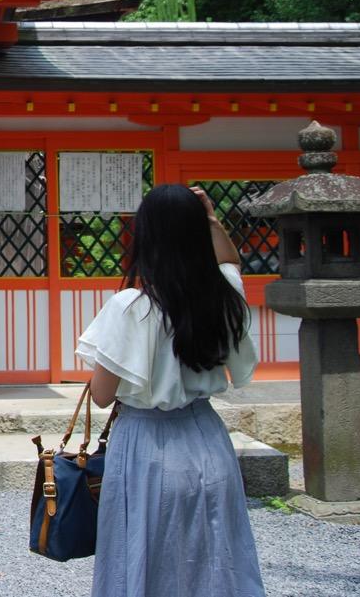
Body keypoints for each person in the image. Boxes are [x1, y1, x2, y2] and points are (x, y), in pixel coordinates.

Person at [76, 184, 264, 597]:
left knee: (142, 556)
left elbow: (103, 395)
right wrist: (211, 219)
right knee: (216, 558)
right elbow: (230, 261)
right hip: (208, 440)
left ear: (148, 238)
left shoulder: (131, 307)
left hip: (145, 446)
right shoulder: (224, 296)